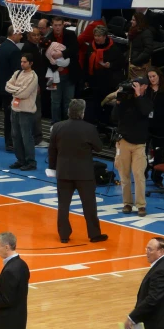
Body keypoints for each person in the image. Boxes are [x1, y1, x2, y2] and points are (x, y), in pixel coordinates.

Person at [47, 99, 107, 243]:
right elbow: (99, 147)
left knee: (63, 205)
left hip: (64, 172)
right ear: (82, 112)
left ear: (69, 111)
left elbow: (51, 150)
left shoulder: (57, 127)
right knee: (89, 205)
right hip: (84, 174)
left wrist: (52, 168)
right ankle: (94, 234)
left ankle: (64, 235)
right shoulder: (89, 128)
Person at [112, 76, 152, 216]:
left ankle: (141, 205)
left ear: (145, 86)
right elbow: (114, 117)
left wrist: (138, 96)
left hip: (139, 144)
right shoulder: (125, 99)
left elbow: (145, 111)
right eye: (133, 85)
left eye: (137, 85)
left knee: (138, 174)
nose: (134, 87)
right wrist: (118, 102)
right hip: (123, 142)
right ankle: (127, 204)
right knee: (124, 175)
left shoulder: (147, 99)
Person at [5, 53, 38, 171]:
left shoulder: (33, 77)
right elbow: (7, 86)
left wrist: (14, 90)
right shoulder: (17, 73)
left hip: (26, 111)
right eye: (21, 61)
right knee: (15, 136)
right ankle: (20, 160)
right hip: (15, 109)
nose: (22, 64)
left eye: (24, 62)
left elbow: (24, 94)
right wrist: (17, 90)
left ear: (31, 63)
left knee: (26, 137)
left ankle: (31, 162)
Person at [44, 17, 79, 125]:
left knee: (68, 102)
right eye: (55, 25)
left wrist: (62, 54)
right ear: (52, 26)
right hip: (53, 75)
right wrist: (55, 67)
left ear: (63, 25)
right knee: (55, 102)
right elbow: (44, 58)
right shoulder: (47, 38)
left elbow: (75, 50)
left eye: (60, 25)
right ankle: (55, 125)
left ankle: (68, 125)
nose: (58, 27)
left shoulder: (70, 35)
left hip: (70, 74)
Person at [86, 25, 123, 124]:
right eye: (95, 35)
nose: (96, 38)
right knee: (94, 103)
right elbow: (86, 63)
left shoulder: (114, 48)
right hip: (94, 81)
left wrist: (110, 65)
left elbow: (121, 64)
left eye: (99, 36)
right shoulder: (91, 46)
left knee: (105, 105)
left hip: (108, 82)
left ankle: (105, 123)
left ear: (105, 36)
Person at [0, 26, 24, 151]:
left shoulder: (2, 46)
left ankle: (9, 141)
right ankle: (11, 142)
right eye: (20, 34)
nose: (21, 36)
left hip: (2, 86)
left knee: (7, 116)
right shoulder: (14, 50)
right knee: (12, 117)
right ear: (14, 34)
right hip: (11, 89)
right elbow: (16, 72)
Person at [128, 12, 155, 78]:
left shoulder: (146, 33)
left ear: (139, 21)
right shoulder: (133, 31)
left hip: (141, 66)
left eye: (134, 20)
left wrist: (136, 61)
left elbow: (148, 49)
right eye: (132, 19)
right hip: (132, 64)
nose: (131, 21)